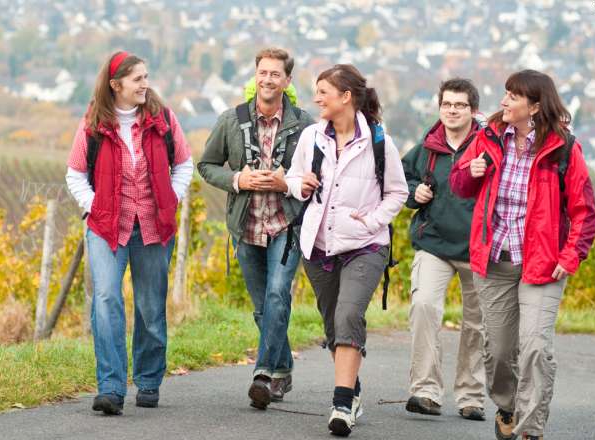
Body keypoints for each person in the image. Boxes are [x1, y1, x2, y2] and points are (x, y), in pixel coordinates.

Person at [449, 69, 595, 440]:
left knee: (535, 348)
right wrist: (472, 170)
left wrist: (571, 255)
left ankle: (531, 429)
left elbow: (585, 212)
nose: (503, 102)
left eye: (512, 96)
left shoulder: (563, 148)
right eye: (505, 94)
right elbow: (458, 184)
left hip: (543, 264)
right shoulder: (489, 136)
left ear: (534, 105)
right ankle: (508, 405)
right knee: (498, 351)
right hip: (494, 259)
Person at [65, 51, 193, 416]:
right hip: (108, 228)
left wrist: (172, 198)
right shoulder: (93, 123)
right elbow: (74, 173)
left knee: (151, 306)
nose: (145, 84)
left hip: (153, 226)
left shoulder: (163, 118)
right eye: (137, 79)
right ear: (115, 84)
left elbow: (184, 163)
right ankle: (111, 387)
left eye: (146, 77)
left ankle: (149, 380)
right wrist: (95, 207)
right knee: (105, 299)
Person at [285, 64, 408, 437]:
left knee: (348, 315)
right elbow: (292, 176)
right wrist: (298, 184)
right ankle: (351, 388)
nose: (317, 98)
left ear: (346, 98)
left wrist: (372, 222)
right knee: (331, 323)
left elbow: (397, 193)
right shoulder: (312, 137)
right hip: (319, 245)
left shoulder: (379, 143)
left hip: (364, 246)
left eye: (323, 91)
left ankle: (341, 405)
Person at [197, 47, 314, 410]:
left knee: (278, 294)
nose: (267, 79)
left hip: (286, 224)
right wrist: (238, 178)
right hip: (245, 225)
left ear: (287, 81)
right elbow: (206, 164)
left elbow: (318, 174)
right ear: (255, 76)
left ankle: (263, 374)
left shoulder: (305, 124)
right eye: (262, 73)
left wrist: (288, 182)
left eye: (275, 74)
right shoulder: (231, 120)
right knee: (263, 305)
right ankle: (283, 369)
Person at [400, 78, 487, 421]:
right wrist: (414, 193)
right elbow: (401, 179)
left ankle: (471, 396)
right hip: (433, 242)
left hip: (477, 246)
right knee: (423, 306)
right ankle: (425, 390)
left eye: (460, 105)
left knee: (477, 324)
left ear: (473, 110)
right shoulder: (429, 145)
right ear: (440, 107)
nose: (452, 110)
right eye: (447, 104)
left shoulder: (487, 145)